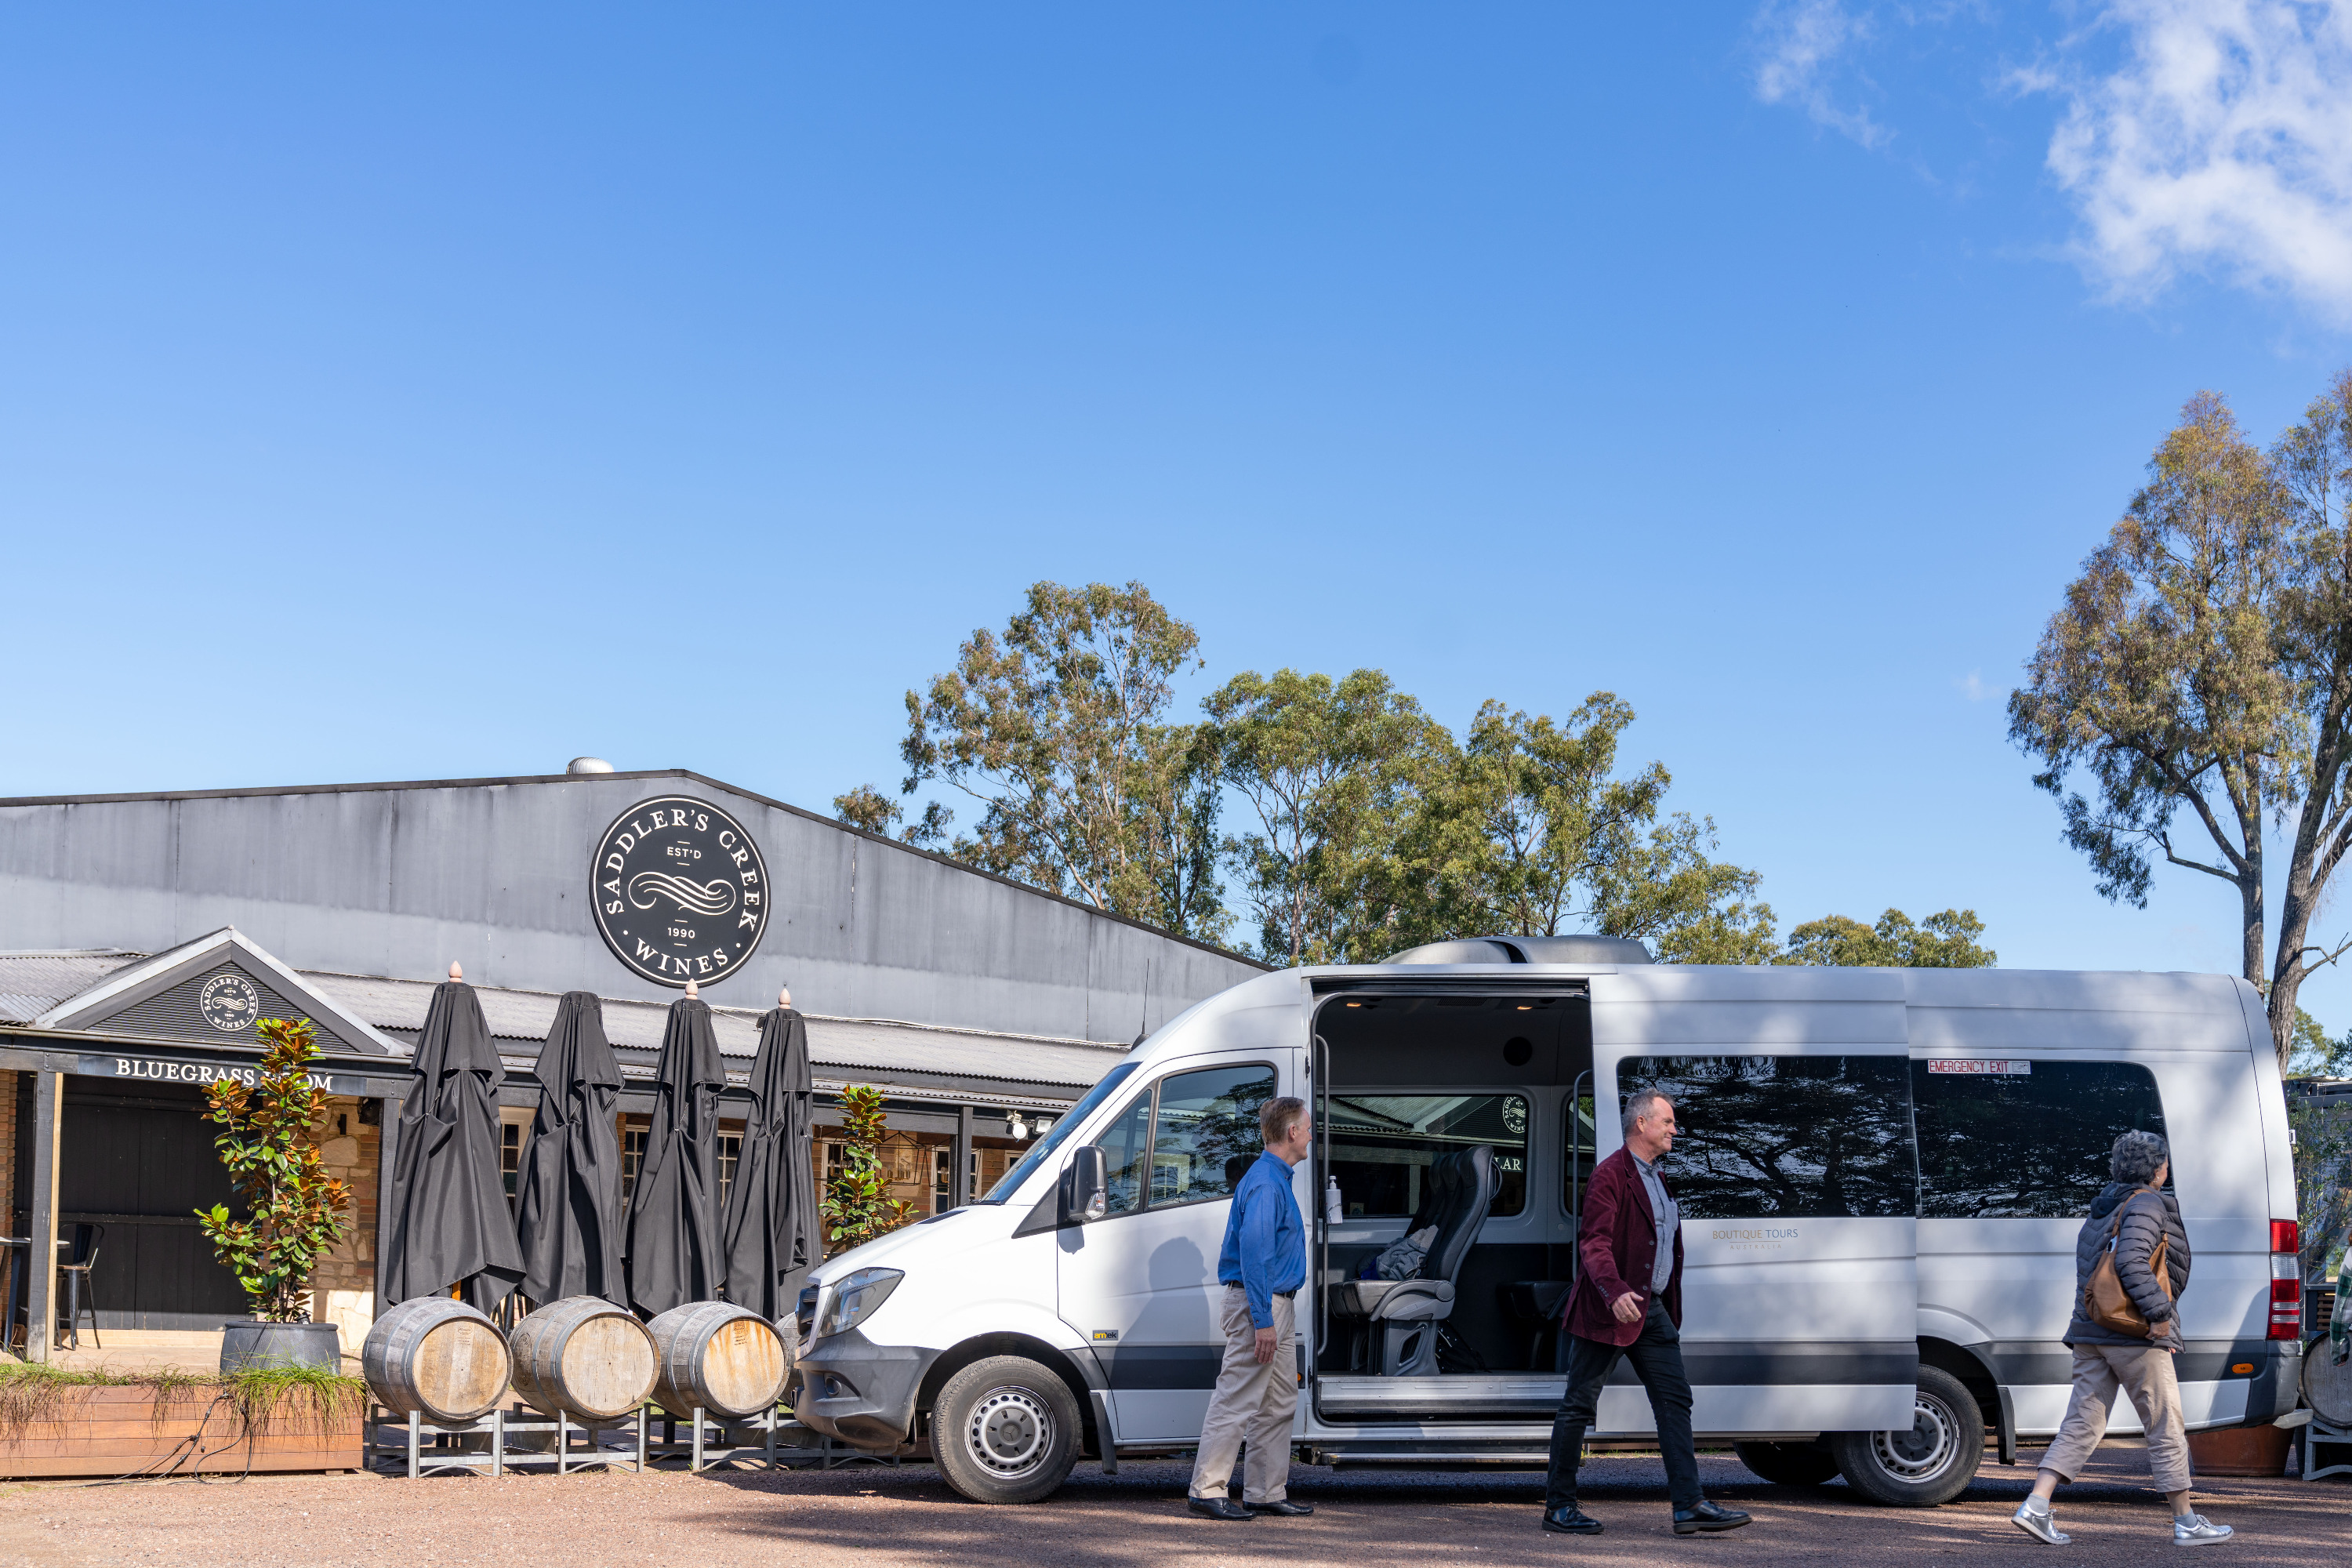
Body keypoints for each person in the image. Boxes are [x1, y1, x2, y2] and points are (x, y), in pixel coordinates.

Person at [1541, 1090, 1751, 1537]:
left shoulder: (1657, 1176)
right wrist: (1614, 1291)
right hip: (1610, 1309)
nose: (1675, 1129)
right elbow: (1593, 1244)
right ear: (1642, 1124)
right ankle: (1559, 1507)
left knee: (1675, 1401)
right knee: (1579, 1406)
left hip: (1651, 1310)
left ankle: (1689, 1505)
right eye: (1668, 1121)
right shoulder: (1610, 1175)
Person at [2012, 1129, 2232, 1548]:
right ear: (2157, 1169)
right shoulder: (2148, 1203)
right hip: (2132, 1334)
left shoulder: (2105, 1204)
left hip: (2091, 1331)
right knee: (2165, 1423)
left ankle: (2035, 1506)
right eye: (2165, 1163)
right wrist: (2160, 1315)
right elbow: (2132, 1262)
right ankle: (2186, 1522)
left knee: (2082, 1422)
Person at [1187, 1094, 1313, 1522]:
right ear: (1292, 1132)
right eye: (1309, 1128)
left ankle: (1264, 1491)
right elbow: (1257, 1257)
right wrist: (1263, 1321)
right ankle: (1206, 1490)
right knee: (1237, 1398)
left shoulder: (1276, 1179)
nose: (1312, 1136)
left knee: (1279, 1403)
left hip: (1275, 1305)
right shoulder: (1265, 1183)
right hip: (1261, 1305)